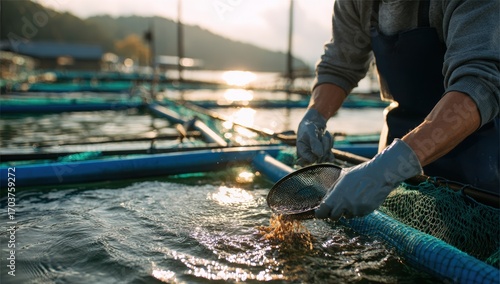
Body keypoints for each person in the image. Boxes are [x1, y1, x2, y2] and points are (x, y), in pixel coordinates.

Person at [296, 0, 499, 220]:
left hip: (480, 159)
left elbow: (480, 85)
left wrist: (391, 167)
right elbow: (340, 66)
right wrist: (314, 116)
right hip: (395, 144)